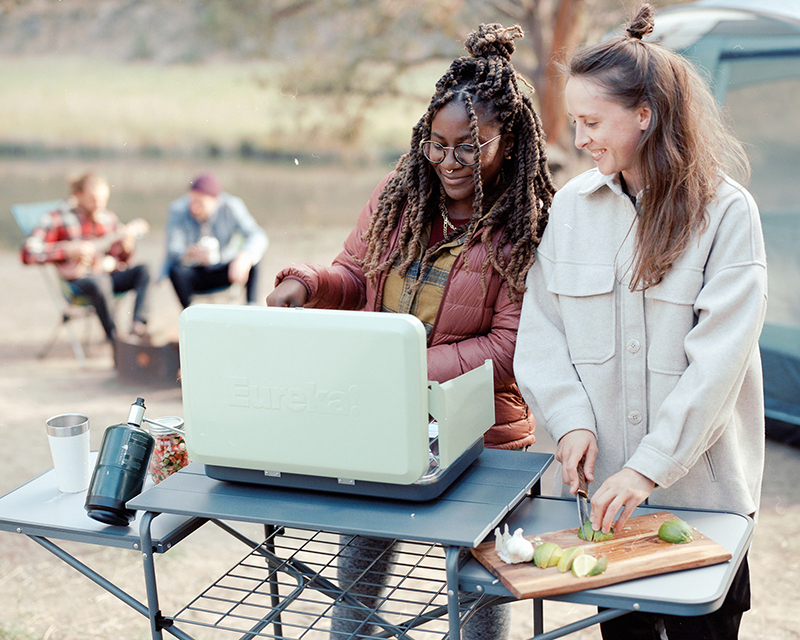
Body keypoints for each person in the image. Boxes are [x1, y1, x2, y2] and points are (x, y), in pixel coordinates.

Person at [267, 23, 555, 640]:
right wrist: (308, 285)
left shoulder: (526, 228)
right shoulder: (401, 197)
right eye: (438, 143)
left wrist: (401, 368)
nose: (449, 161)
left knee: (475, 593)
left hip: (485, 442)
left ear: (510, 140)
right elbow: (353, 274)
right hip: (384, 424)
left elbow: (511, 349)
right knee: (357, 587)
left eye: (470, 146)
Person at [513, 5, 766, 639]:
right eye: (575, 122)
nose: (581, 139)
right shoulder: (570, 208)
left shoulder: (728, 215)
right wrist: (569, 423)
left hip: (703, 505)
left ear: (645, 116)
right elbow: (543, 333)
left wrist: (649, 466)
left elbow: (720, 365)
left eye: (593, 122)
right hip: (604, 505)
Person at [21, 171, 151, 344]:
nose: (99, 204)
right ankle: (114, 339)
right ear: (77, 195)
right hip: (78, 281)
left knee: (145, 270)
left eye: (103, 199)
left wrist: (126, 246)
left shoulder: (107, 217)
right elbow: (27, 252)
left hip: (106, 274)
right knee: (100, 283)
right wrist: (66, 250)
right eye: (93, 199)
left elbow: (120, 258)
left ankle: (138, 329)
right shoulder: (57, 218)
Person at [163, 172, 268, 307]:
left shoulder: (231, 206)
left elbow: (257, 235)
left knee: (254, 258)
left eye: (200, 203)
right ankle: (190, 314)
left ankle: (252, 307)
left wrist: (244, 256)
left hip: (225, 267)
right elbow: (172, 248)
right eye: (192, 201)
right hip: (195, 270)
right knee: (175, 270)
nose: (195, 207)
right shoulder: (178, 209)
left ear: (215, 200)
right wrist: (190, 252)